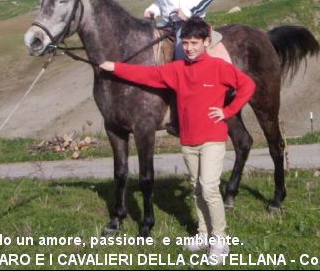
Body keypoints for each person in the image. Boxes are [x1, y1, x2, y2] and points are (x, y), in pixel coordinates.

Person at [99, 16, 255, 265]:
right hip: (189, 140)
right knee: (196, 188)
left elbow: (247, 85)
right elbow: (146, 75)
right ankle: (203, 234)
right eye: (186, 43)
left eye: (195, 42)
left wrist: (228, 111)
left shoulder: (218, 67)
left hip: (212, 139)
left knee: (210, 188)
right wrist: (115, 67)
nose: (190, 48)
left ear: (206, 41)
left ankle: (220, 240)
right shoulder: (177, 70)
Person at [145, 0, 232, 136]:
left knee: (180, 58)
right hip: (168, 24)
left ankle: (184, 116)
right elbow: (163, 1)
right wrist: (153, 9)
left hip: (191, 23)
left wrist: (189, 9)